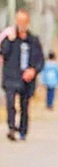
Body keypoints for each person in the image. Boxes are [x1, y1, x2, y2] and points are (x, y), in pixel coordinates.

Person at [1, 9, 44, 141]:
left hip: (27, 79)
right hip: (11, 77)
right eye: (19, 21)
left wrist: (33, 70)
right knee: (10, 103)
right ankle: (11, 127)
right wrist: (9, 41)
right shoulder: (10, 39)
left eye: (23, 21)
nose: (21, 24)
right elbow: (3, 53)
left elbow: (40, 60)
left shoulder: (33, 41)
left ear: (28, 22)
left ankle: (23, 130)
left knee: (24, 105)